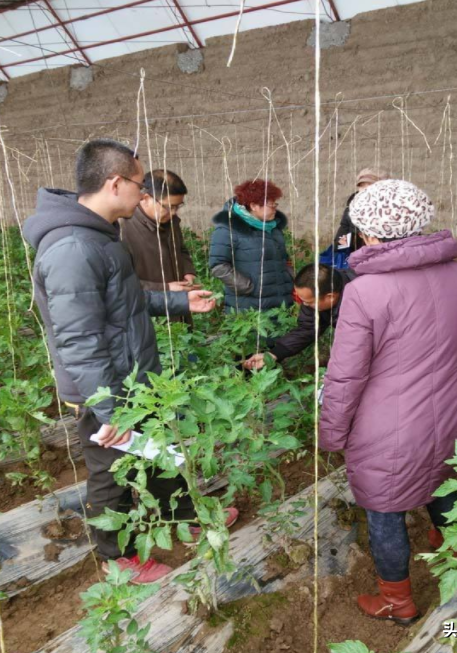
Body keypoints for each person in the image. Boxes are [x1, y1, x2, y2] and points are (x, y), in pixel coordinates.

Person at [23, 139, 228, 584]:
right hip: (107, 389)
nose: (143, 195)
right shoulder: (72, 249)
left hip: (135, 376)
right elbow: (79, 339)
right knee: (110, 475)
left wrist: (177, 303)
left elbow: (123, 303)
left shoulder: (97, 237)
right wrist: (111, 409)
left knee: (161, 455)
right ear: (115, 183)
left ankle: (185, 519)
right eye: (139, 184)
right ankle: (119, 558)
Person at [319, 179, 457, 625]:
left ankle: (398, 602)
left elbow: (346, 376)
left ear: (370, 234)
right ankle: (455, 557)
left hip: (387, 426)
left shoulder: (365, 291)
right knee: (443, 480)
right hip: (448, 408)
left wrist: (333, 431)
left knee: (386, 507)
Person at [119, 169, 198, 326]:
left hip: (178, 306)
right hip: (149, 317)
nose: (174, 212)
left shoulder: (170, 221)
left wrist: (188, 272)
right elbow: (121, 283)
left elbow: (181, 250)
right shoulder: (122, 229)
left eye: (178, 206)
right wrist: (165, 287)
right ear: (146, 198)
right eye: (169, 206)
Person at [243, 263, 354, 370]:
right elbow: (308, 328)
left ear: (330, 297)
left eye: (308, 302)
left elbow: (357, 347)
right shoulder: (319, 293)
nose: (304, 305)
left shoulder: (360, 302)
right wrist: (274, 354)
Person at [209, 179, 293, 313]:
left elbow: (284, 259)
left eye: (275, 205)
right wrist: (249, 288)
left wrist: (289, 279)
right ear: (253, 206)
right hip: (249, 306)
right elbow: (218, 265)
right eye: (271, 205)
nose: (275, 210)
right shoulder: (228, 229)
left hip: (281, 302)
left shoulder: (273, 228)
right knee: (254, 333)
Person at [334, 168, 389, 253]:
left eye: (370, 185)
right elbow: (340, 244)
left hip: (387, 256)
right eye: (361, 185)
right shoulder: (351, 210)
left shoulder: (393, 209)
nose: (364, 189)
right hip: (358, 257)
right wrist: (353, 234)